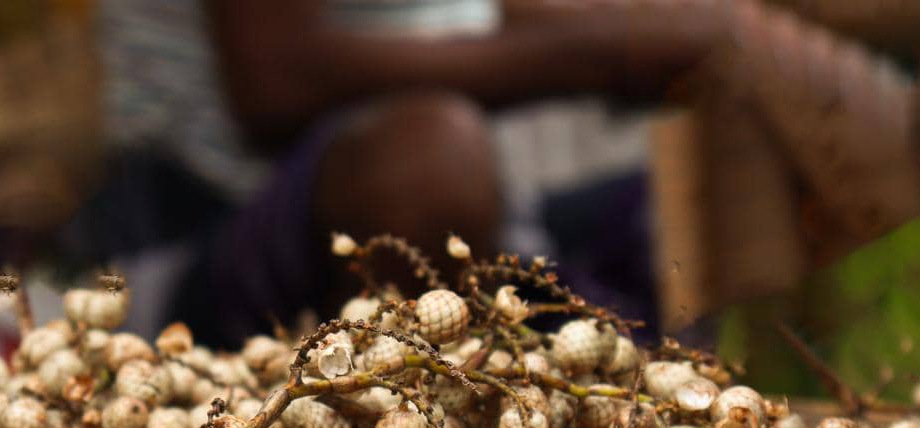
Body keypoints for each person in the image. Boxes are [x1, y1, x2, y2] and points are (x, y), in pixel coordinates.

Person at [69, 1, 732, 344]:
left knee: (700, 195)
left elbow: (474, 18)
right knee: (430, 160)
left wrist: (696, 40)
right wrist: (601, 58)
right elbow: (274, 85)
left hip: (480, 225)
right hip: (206, 225)